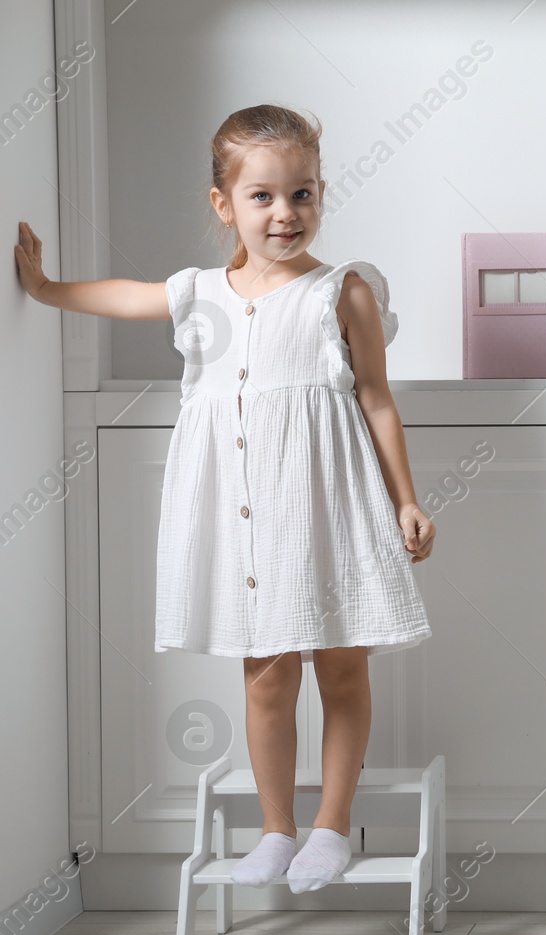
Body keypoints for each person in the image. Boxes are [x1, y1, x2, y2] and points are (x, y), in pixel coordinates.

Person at [13, 103, 435, 893]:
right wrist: (43, 287)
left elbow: (376, 398)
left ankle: (331, 825)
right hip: (248, 525)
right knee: (266, 674)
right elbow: (122, 295)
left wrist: (406, 500)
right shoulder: (199, 292)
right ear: (224, 204)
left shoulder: (341, 294)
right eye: (264, 196)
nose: (286, 214)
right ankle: (278, 828)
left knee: (342, 669)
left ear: (321, 193)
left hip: (332, 510)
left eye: (303, 194)